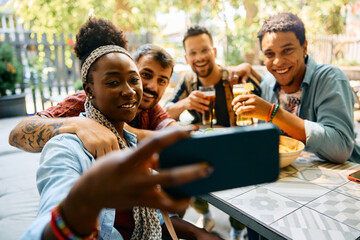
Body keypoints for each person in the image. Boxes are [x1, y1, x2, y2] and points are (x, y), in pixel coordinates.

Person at [21, 17, 222, 240]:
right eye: (113, 82)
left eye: (133, 79)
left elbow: (171, 131)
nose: (132, 90)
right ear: (89, 90)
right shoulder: (67, 144)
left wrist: (195, 232)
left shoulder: (144, 115)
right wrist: (84, 199)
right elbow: (50, 214)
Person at [232, 12, 360, 165]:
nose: (278, 62)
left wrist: (272, 113)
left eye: (287, 50)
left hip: (341, 181)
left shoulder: (330, 78)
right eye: (270, 54)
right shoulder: (269, 83)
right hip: (286, 177)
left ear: (304, 47)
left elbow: (341, 149)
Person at [9, 43, 177, 157]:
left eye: (162, 80)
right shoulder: (86, 102)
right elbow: (17, 134)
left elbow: (175, 133)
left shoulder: (148, 106)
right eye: (145, 75)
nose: (152, 87)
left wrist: (132, 133)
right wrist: (79, 125)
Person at [164, 25, 247, 239]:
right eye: (193, 53)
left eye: (204, 50)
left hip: (234, 149)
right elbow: (165, 114)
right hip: (204, 150)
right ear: (186, 57)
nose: (199, 57)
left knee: (241, 193)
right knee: (190, 178)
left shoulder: (233, 79)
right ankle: (206, 215)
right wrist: (185, 103)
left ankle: (238, 230)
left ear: (214, 51)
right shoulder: (188, 80)